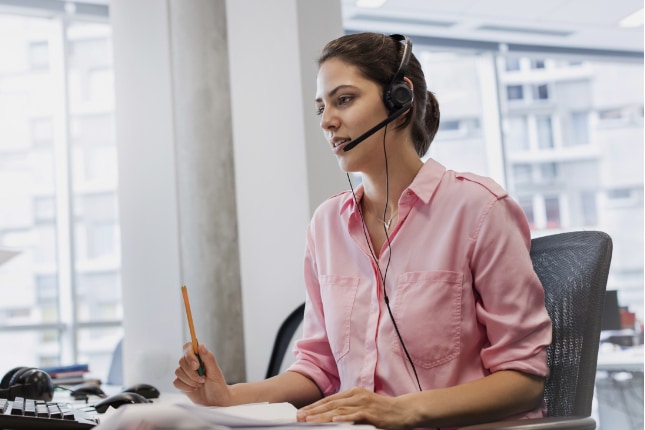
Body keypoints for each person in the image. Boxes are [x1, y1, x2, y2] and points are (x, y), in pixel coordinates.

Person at [173, 32, 552, 430]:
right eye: (321, 107)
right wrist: (229, 396)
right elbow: (319, 368)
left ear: (399, 101)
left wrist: (403, 409)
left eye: (344, 99)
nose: (326, 121)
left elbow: (524, 379)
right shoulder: (326, 225)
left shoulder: (480, 210)